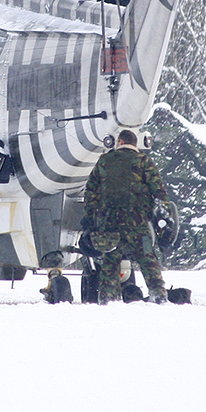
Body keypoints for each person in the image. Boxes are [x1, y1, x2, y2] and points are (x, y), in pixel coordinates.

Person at [84, 129, 171, 304]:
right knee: (148, 260)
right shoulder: (144, 161)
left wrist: (91, 217)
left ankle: (108, 299)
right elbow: (159, 192)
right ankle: (159, 295)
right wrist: (163, 218)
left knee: (110, 263)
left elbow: (90, 191)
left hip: (109, 224)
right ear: (134, 143)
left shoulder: (105, 161)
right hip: (137, 223)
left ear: (121, 142)